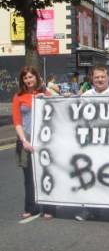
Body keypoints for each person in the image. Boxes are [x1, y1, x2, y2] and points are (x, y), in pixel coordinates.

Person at [74, 65, 109, 221]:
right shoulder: (86, 95)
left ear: (108, 78)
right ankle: (90, 209)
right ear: (92, 79)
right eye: (96, 77)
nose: (100, 80)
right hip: (92, 143)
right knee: (91, 176)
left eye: (102, 77)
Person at [12, 66, 56, 220]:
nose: (28, 80)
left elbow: (59, 109)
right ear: (22, 80)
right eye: (25, 78)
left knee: (47, 174)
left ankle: (50, 207)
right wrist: (24, 141)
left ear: (36, 78)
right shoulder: (18, 96)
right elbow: (17, 122)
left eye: (31, 77)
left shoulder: (45, 94)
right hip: (26, 141)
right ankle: (31, 208)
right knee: (29, 178)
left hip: (44, 141)